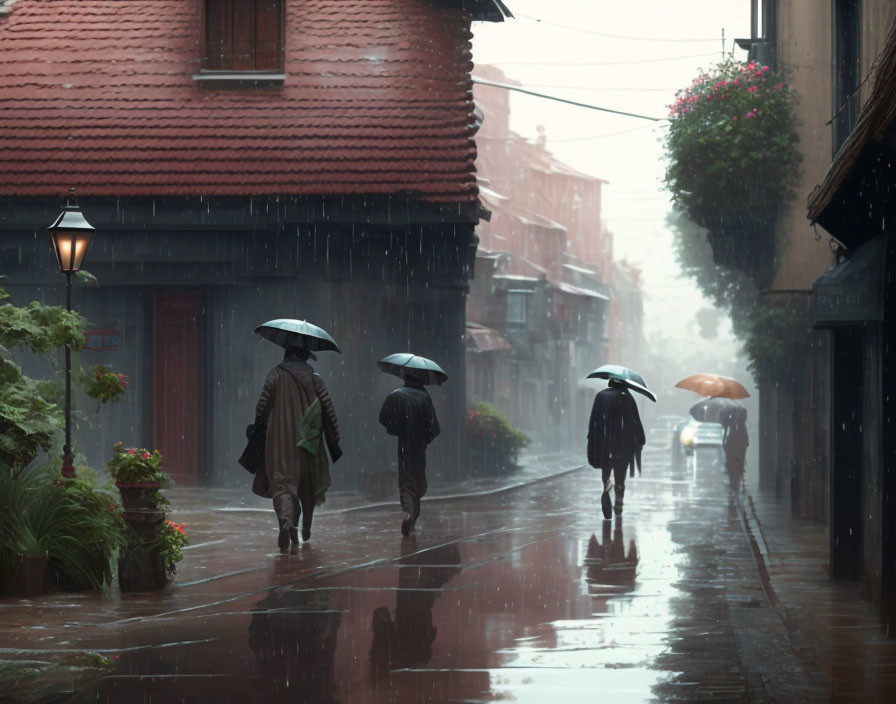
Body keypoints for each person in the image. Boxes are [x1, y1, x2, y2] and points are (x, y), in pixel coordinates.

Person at [252, 345, 341, 552]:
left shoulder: (274, 375)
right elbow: (329, 409)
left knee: (283, 485)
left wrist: (258, 430)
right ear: (305, 356)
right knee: (306, 487)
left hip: (278, 442)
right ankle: (306, 527)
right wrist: (334, 437)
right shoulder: (314, 379)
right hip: (308, 442)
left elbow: (261, 407)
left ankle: (285, 522)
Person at [378, 371, 440, 536]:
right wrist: (425, 436)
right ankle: (412, 516)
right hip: (419, 445)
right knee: (418, 479)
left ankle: (410, 514)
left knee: (405, 479)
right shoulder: (424, 397)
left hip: (404, 444)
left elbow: (383, 417)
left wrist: (398, 427)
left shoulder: (396, 395)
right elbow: (434, 427)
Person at [587, 378, 645, 520]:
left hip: (605, 443)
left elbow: (593, 420)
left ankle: (606, 485)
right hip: (623, 444)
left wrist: (592, 438)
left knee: (606, 470)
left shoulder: (601, 396)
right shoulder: (628, 398)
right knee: (621, 475)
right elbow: (635, 420)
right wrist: (640, 439)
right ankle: (619, 497)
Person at [722, 404, 749, 492]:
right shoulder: (730, 419)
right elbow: (726, 431)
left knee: (739, 459)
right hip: (732, 442)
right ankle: (732, 471)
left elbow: (744, 435)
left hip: (739, 442)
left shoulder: (742, 422)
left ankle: (739, 471)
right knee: (731, 459)